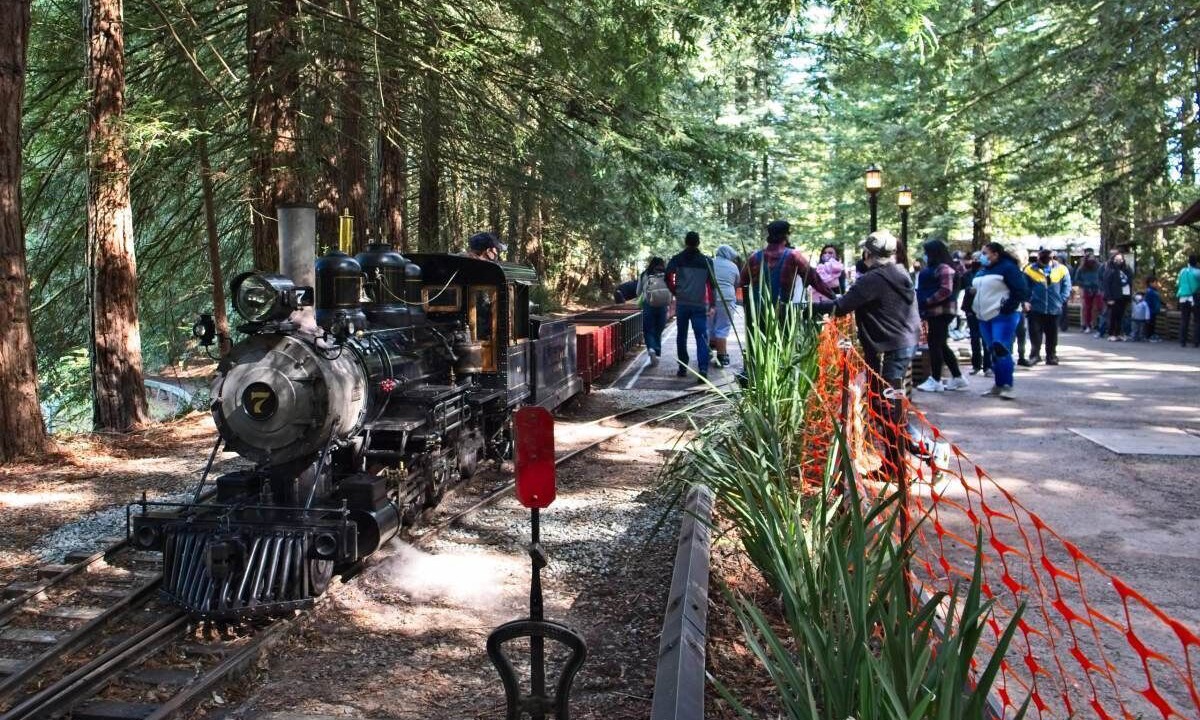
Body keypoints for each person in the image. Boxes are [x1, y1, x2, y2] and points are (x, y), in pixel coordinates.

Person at [811, 230, 919, 481]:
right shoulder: (898, 271)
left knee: (886, 406)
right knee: (885, 404)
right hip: (898, 343)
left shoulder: (875, 278)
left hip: (890, 347)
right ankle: (894, 464)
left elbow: (841, 306)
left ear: (869, 253)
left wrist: (801, 309)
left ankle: (923, 453)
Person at [739, 220, 836, 324]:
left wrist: (747, 308)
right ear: (786, 236)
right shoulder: (793, 256)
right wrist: (834, 297)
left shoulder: (754, 258)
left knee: (757, 340)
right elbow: (814, 279)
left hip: (757, 314)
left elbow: (742, 283)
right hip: (782, 314)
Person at [972, 241, 1030, 400]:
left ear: (995, 254)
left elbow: (1021, 290)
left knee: (1001, 348)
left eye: (985, 253)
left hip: (1003, 316)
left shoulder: (1008, 268)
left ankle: (1007, 385)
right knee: (992, 350)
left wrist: (1007, 308)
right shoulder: (983, 270)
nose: (982, 256)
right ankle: (998, 385)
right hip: (983, 317)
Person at [914, 238, 968, 392]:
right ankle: (957, 377)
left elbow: (946, 290)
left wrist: (928, 300)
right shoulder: (939, 268)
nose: (925, 256)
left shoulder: (944, 268)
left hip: (941, 312)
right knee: (941, 345)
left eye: (926, 253)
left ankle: (936, 379)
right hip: (936, 312)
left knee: (935, 344)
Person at [666, 231, 715, 379]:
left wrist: (675, 291)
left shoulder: (677, 259)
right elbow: (711, 285)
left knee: (681, 335)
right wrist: (712, 304)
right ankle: (703, 369)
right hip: (699, 304)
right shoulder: (706, 261)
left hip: (682, 304)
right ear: (698, 243)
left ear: (685, 242)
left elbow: (668, 277)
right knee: (701, 336)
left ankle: (683, 367)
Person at [1023, 248, 1071, 365]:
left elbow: (1066, 287)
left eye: (1049, 258)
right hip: (1035, 307)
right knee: (1035, 333)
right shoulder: (1029, 270)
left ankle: (1051, 356)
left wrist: (1061, 300)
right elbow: (1025, 288)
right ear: (1039, 258)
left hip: (1054, 307)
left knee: (1052, 334)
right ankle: (1035, 355)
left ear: (1053, 258)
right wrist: (1026, 301)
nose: (1046, 261)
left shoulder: (1062, 270)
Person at [709, 245, 741, 368]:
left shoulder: (710, 262)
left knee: (709, 325)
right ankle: (722, 356)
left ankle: (707, 352)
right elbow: (737, 282)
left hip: (710, 298)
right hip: (727, 299)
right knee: (722, 327)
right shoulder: (733, 266)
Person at [962, 252, 992, 377]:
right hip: (972, 310)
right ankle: (976, 365)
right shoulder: (968, 274)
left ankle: (988, 366)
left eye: (978, 258)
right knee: (974, 339)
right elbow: (966, 288)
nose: (976, 260)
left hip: (986, 309)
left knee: (986, 339)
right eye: (974, 258)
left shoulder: (990, 274)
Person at [636, 257, 670, 366]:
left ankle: (651, 348)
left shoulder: (645, 274)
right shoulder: (666, 274)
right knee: (658, 330)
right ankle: (657, 352)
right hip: (663, 305)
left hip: (648, 304)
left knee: (648, 329)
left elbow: (638, 292)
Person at [1101, 251, 1133, 342]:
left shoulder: (1126, 270)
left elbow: (1130, 281)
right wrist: (1109, 298)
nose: (1119, 261)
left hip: (1124, 295)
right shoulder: (1110, 270)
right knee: (1113, 316)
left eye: (1121, 259)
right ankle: (1111, 333)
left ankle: (1119, 333)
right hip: (1114, 296)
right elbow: (1106, 285)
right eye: (1117, 259)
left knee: (1121, 316)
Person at [1074, 248, 1104, 333]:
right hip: (1086, 289)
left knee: (1097, 307)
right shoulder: (1082, 268)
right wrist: (1085, 284)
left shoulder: (1099, 266)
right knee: (1086, 308)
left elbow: (1102, 277)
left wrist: (1099, 285)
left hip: (1097, 289)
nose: (1091, 259)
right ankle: (1086, 325)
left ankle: (1095, 324)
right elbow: (1077, 279)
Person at [1177, 255, 1200, 347]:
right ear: (1197, 263)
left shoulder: (1182, 271)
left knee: (1184, 320)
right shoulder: (1198, 272)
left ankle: (1182, 341)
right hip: (1194, 297)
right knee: (1197, 320)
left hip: (1183, 297)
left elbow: (1178, 283)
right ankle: (1196, 342)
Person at [1144, 276, 1163, 342]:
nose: (1156, 284)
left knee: (1153, 323)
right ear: (1150, 283)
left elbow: (1159, 300)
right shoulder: (1149, 291)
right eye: (1155, 282)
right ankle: (1148, 336)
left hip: (1154, 310)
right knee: (1150, 323)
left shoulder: (1155, 291)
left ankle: (1152, 335)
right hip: (1150, 310)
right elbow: (1148, 301)